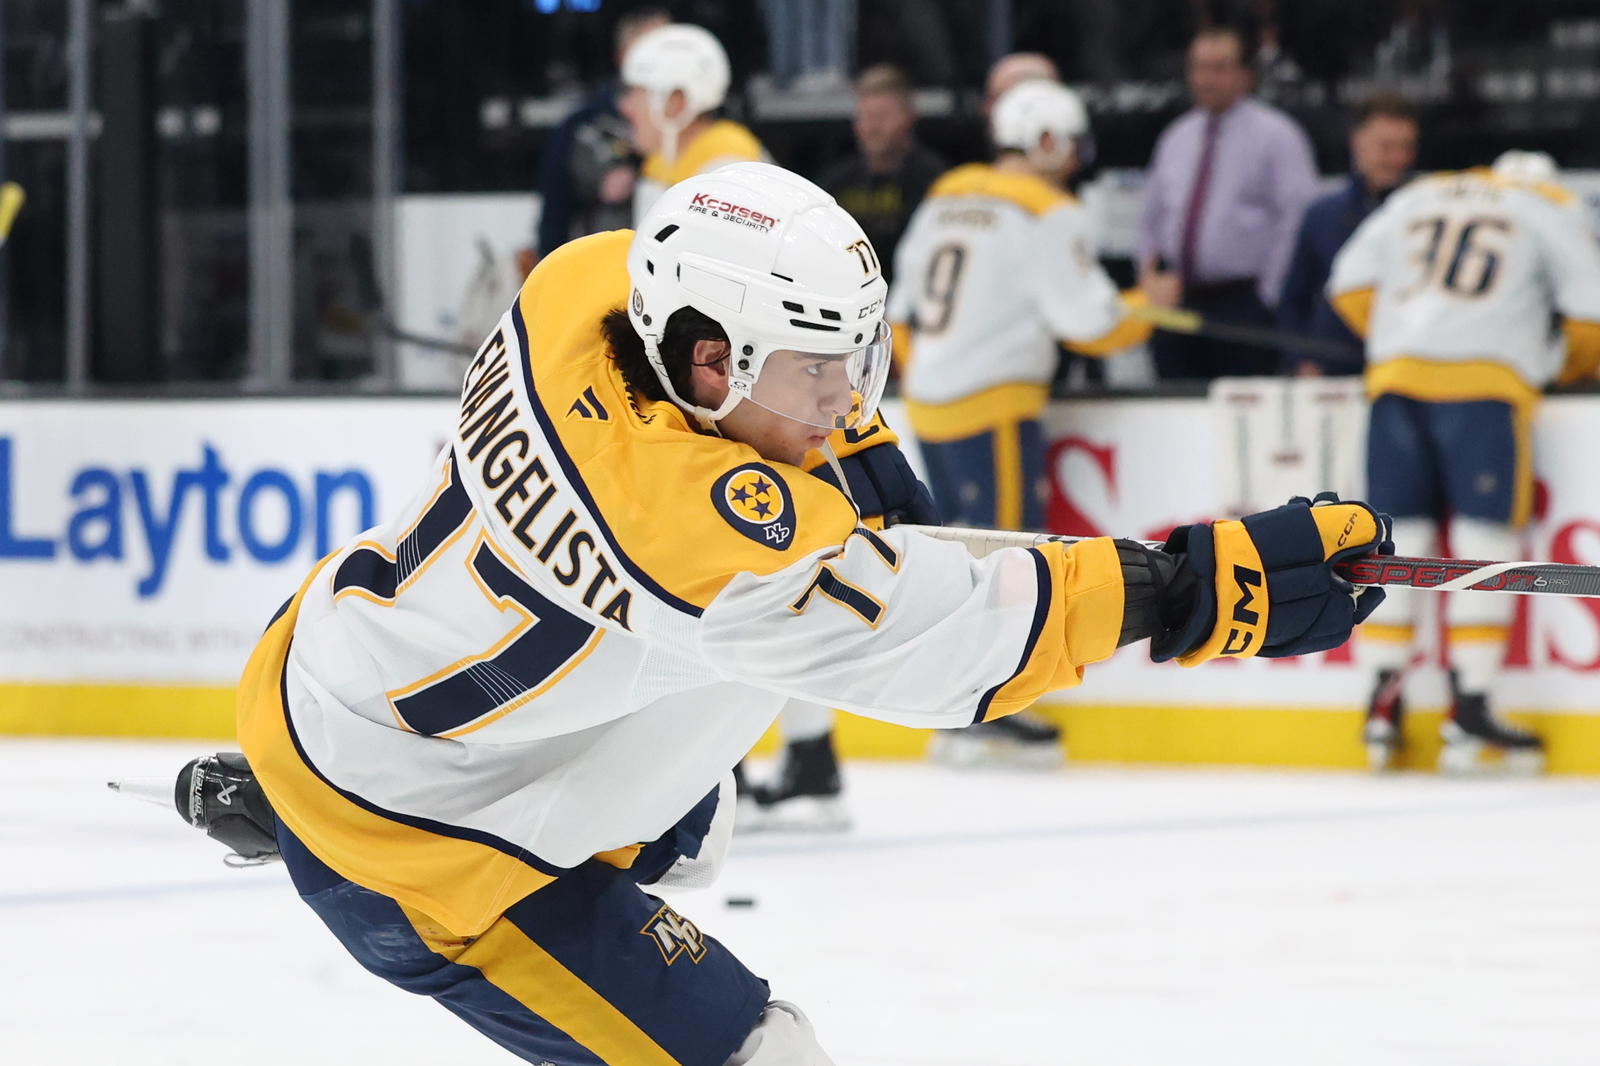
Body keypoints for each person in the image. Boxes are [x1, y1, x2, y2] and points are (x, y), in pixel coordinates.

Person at [180, 162, 1388, 1065]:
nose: (848, 398)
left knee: (692, 825)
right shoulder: (697, 539)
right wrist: (1183, 588)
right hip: (422, 843)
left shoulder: (578, 289)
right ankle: (312, 831)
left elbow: (835, 491)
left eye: (854, 361)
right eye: (819, 371)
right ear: (707, 364)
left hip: (344, 666)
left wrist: (849, 445)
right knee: (760, 1053)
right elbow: (938, 637)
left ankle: (286, 802)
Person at [887, 80, 1153, 767]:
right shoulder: (1049, 210)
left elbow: (901, 306)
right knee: (1007, 559)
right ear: (1047, 141)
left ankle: (962, 703)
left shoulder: (947, 193)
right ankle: (986, 705)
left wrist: (927, 377)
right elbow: (1086, 320)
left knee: (959, 558)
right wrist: (1144, 308)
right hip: (994, 401)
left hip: (931, 397)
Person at [1328, 150, 1600, 775]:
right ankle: (1470, 707)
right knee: (1483, 546)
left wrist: (1405, 335)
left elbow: (1348, 284)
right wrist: (1556, 361)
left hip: (1395, 386)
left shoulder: (1421, 194)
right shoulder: (1548, 208)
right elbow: (1587, 314)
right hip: (1485, 391)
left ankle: (1380, 702)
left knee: (1395, 546)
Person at [1137, 24, 1319, 380]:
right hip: (1178, 300)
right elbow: (1151, 220)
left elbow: (1297, 218)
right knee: (1176, 408)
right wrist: (1149, 276)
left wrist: (1269, 296)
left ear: (1245, 75)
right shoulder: (1177, 137)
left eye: (1219, 68)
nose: (1205, 79)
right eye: (1198, 67)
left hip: (1243, 304)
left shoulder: (1277, 137)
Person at [519, 8, 671, 278]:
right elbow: (554, 219)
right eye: (652, 50)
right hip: (603, 275)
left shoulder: (699, 125)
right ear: (624, 57)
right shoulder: (581, 128)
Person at [1277, 92, 1418, 377]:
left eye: (1406, 147)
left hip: (1408, 371)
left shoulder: (1429, 212)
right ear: (1358, 142)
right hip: (1333, 373)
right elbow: (1294, 301)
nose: (1397, 159)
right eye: (1386, 147)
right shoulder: (1322, 214)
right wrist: (1300, 360)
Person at [620, 23, 767, 224]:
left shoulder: (729, 165)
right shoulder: (660, 162)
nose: (625, 107)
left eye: (637, 94)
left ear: (676, 102)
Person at [816, 64, 947, 287]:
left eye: (883, 117)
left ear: (909, 117)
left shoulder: (936, 183)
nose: (872, 127)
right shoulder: (834, 183)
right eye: (865, 117)